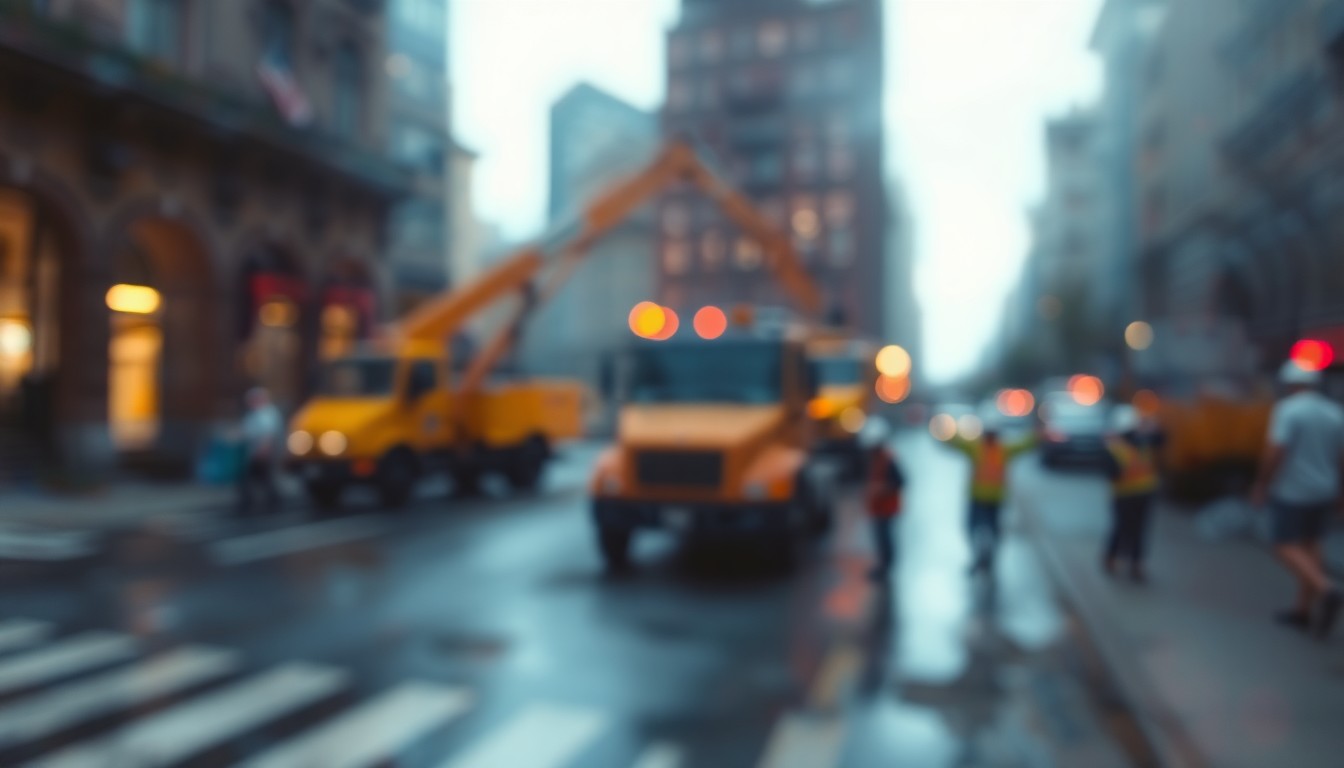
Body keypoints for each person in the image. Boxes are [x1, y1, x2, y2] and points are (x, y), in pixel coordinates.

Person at [1251, 360, 1344, 638]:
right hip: (1324, 490)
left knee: (1283, 544)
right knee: (1311, 543)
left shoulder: (1288, 411)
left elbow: (1276, 450)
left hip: (1293, 491)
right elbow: (1341, 458)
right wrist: (1341, 491)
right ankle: (1302, 610)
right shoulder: (1334, 413)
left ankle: (1325, 588)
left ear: (1290, 384)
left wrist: (1261, 484)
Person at [942, 418, 1036, 574]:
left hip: (993, 499)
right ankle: (980, 558)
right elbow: (957, 442)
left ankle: (989, 559)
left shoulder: (1000, 449)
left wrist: (1037, 436)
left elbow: (1024, 445)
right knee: (974, 529)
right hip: (979, 497)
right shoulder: (980, 448)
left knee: (991, 530)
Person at [1102, 405, 1160, 582]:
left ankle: (1132, 562)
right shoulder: (1122, 446)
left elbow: (1162, 438)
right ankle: (1118, 560)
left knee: (1132, 530)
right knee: (1128, 529)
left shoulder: (1138, 442)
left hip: (1140, 493)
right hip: (1129, 494)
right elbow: (1112, 472)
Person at [861, 418, 905, 581]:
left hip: (887, 507)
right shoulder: (874, 458)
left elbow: (900, 481)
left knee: (885, 539)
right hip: (878, 507)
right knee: (880, 538)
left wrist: (882, 489)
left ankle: (886, 566)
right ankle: (884, 565)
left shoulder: (888, 459)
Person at [237, 386, 284, 516]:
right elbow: (246, 431)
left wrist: (263, 450)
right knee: (263, 479)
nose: (250, 402)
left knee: (253, 478)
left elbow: (268, 434)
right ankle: (272, 500)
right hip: (254, 452)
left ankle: (252, 502)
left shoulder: (266, 413)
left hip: (261, 453)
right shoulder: (256, 413)